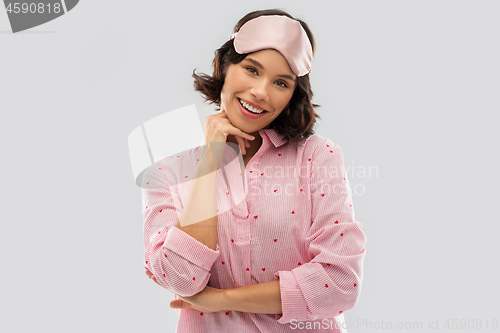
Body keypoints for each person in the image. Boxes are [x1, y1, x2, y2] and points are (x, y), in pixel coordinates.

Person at [142, 9, 367, 333]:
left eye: (280, 82)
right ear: (225, 66)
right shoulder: (167, 171)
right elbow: (181, 276)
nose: (261, 91)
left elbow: (341, 282)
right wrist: (209, 162)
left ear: (292, 95)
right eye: (251, 69)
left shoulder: (318, 156)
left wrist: (220, 300)